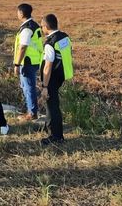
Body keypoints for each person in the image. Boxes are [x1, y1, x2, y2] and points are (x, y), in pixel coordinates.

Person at [40, 14, 73, 145]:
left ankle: (55, 136)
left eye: (41, 26)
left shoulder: (50, 43)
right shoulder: (64, 37)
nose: (41, 29)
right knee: (54, 105)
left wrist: (45, 86)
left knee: (51, 106)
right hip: (62, 74)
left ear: (46, 27)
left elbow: (47, 66)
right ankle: (54, 130)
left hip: (52, 78)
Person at [13, 3, 43, 121]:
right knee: (27, 86)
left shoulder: (27, 28)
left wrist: (17, 63)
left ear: (21, 13)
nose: (17, 14)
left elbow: (23, 47)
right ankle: (31, 110)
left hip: (27, 61)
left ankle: (32, 113)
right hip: (34, 60)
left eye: (18, 12)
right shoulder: (33, 25)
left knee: (28, 87)